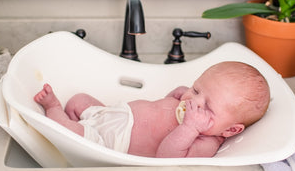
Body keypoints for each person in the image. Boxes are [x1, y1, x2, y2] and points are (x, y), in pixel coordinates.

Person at [33, 61, 270, 158]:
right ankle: (79, 120)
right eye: (197, 90)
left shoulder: (206, 143)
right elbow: (161, 109)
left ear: (230, 129)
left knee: (68, 128)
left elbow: (166, 156)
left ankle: (53, 109)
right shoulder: (189, 103)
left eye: (207, 106)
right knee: (78, 100)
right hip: (113, 114)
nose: (194, 101)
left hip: (110, 141)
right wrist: (174, 96)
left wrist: (189, 127)